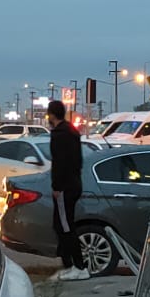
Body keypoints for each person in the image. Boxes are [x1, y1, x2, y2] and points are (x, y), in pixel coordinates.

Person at [46, 99, 87, 279]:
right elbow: (77, 161)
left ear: (51, 115)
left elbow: (59, 163)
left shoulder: (58, 135)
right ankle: (69, 263)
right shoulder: (72, 132)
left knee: (65, 225)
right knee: (61, 224)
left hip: (64, 187)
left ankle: (78, 266)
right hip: (74, 183)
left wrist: (57, 186)